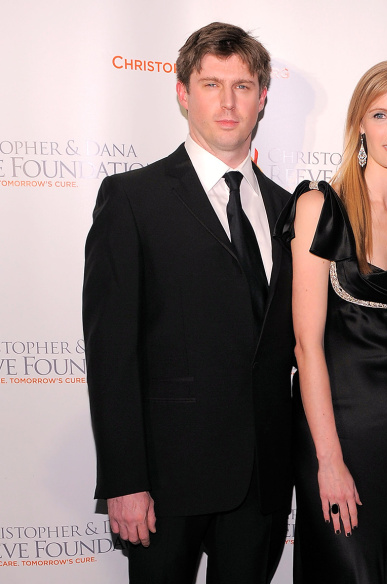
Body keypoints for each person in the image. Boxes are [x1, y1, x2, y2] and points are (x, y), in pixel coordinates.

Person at [82, 22, 294, 584]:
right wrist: (125, 480)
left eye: (243, 86)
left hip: (262, 482)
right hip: (165, 482)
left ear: (263, 98)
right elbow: (111, 354)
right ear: (182, 93)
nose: (228, 101)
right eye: (211, 84)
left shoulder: (288, 209)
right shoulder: (132, 199)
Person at [275, 60, 387, 584]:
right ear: (360, 125)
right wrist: (329, 462)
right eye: (381, 114)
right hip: (339, 434)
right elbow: (306, 347)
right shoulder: (320, 206)